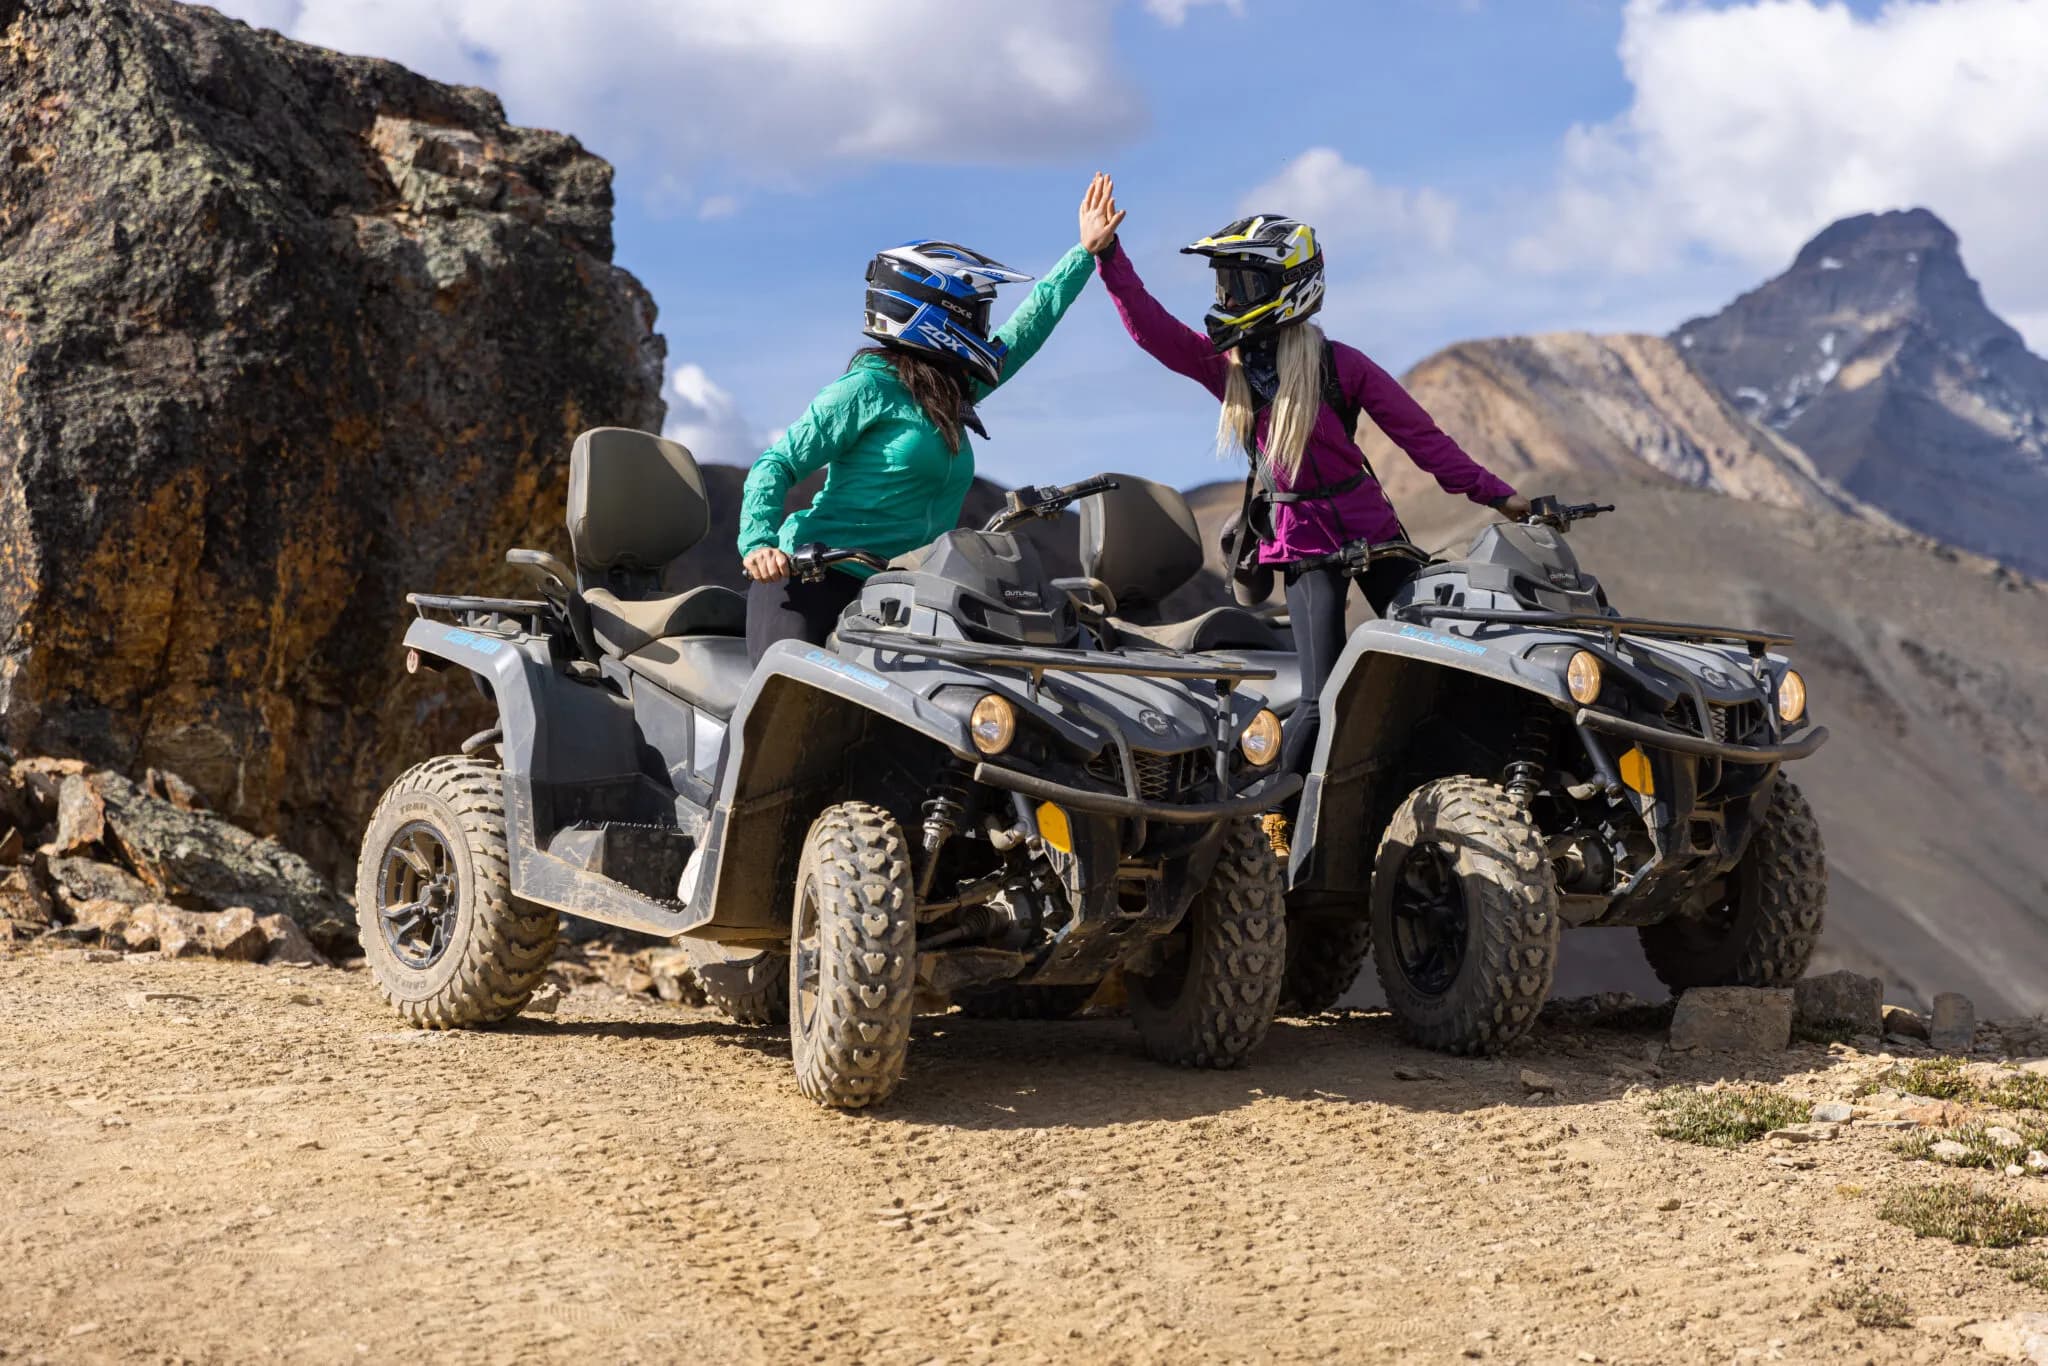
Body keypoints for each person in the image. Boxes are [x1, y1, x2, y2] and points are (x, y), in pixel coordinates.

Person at [1091, 203, 1526, 846]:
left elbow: (1422, 440)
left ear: (1285, 285)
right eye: (1225, 284)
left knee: (1459, 655)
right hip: (1303, 549)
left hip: (1377, 538)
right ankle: (1261, 821)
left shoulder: (1340, 364)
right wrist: (1108, 257)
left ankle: (1473, 798)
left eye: (1242, 284)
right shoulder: (1231, 371)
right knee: (1321, 702)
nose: (1228, 297)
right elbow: (1152, 331)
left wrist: (1501, 498)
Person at [737, 175, 1128, 664]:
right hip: (813, 579)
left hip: (902, 595)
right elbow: (776, 463)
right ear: (937, 315)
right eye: (973, 315)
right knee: (781, 712)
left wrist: (1083, 252)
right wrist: (759, 544)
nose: (982, 328)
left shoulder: (952, 389)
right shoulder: (865, 389)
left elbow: (1028, 328)